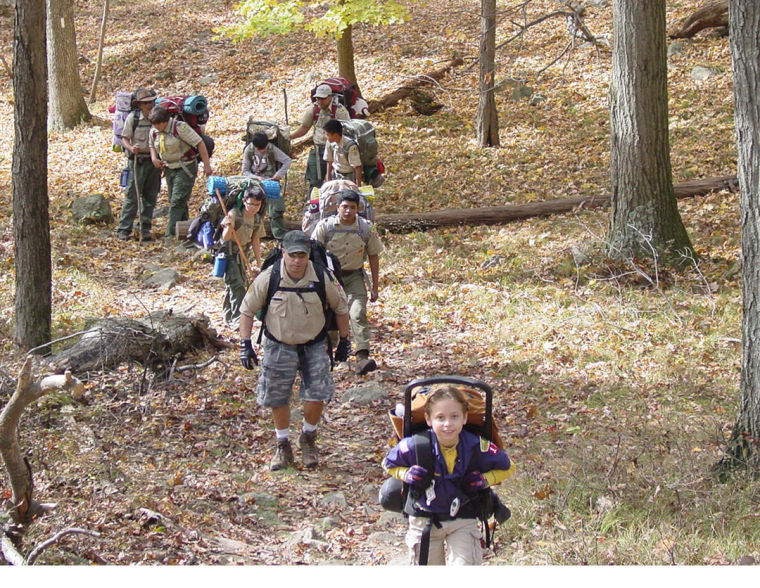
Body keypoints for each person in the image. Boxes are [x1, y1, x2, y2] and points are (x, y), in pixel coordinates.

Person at [238, 230, 351, 470]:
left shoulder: (322, 277)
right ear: (283, 254)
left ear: (309, 254)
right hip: (278, 343)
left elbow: (341, 307)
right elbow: (247, 310)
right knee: (277, 395)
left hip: (315, 343)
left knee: (318, 393)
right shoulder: (270, 277)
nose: (297, 260)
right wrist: (245, 344)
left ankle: (308, 438)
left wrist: (344, 340)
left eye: (302, 255)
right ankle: (282, 445)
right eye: (292, 255)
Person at [383, 385, 513, 566]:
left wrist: (484, 480)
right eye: (440, 418)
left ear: (465, 418)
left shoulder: (476, 445)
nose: (447, 424)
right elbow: (388, 464)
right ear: (429, 419)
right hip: (424, 518)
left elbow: (508, 467)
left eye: (454, 417)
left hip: (463, 516)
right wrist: (406, 474)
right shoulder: (415, 444)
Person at [312, 190, 383, 375]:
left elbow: (374, 257)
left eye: (352, 207)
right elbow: (312, 255)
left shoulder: (366, 228)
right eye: (344, 206)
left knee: (357, 312)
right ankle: (327, 354)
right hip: (329, 277)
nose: (348, 211)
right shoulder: (325, 227)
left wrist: (375, 287)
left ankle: (362, 356)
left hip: (354, 276)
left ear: (358, 209)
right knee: (328, 315)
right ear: (337, 207)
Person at [148, 105, 213, 237]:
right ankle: (185, 230)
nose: (157, 127)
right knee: (176, 200)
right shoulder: (154, 131)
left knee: (177, 201)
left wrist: (207, 165)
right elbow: (152, 145)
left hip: (185, 167)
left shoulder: (180, 128)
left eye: (159, 124)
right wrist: (154, 158)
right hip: (169, 168)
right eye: (154, 124)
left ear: (165, 121)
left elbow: (199, 143)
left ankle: (170, 234)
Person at [116, 88, 162, 241]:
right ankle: (124, 229)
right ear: (139, 105)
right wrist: (130, 148)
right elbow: (124, 138)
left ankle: (145, 228)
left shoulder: (158, 117)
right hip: (137, 162)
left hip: (154, 162)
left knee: (151, 196)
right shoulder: (133, 118)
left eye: (151, 102)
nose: (150, 105)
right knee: (132, 196)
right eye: (146, 103)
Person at [219, 186, 266, 328]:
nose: (253, 208)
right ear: (244, 201)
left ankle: (227, 316)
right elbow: (225, 238)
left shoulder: (257, 219)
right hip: (229, 253)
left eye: (257, 205)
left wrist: (258, 262)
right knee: (237, 284)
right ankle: (237, 319)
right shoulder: (234, 214)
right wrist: (228, 226)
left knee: (235, 285)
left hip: (243, 254)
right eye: (250, 204)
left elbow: (255, 240)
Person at [290, 84, 350, 193]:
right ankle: (313, 205)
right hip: (318, 150)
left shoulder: (340, 111)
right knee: (315, 181)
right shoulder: (313, 110)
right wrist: (289, 137)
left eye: (323, 98)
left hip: (336, 150)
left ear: (330, 97)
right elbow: (304, 128)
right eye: (318, 98)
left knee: (335, 180)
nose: (320, 101)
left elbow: (347, 131)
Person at [241, 131, 292, 240]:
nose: (262, 151)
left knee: (276, 210)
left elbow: (287, 160)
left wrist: (279, 174)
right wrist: (257, 178)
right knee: (253, 207)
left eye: (264, 148)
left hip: (271, 182)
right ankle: (252, 234)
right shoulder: (249, 150)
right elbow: (245, 171)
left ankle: (280, 236)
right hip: (255, 183)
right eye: (260, 149)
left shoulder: (271, 149)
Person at [323, 119, 363, 186]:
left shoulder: (350, 146)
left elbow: (357, 167)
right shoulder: (330, 143)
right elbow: (329, 161)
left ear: (335, 135)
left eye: (327, 135)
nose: (325, 136)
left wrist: (358, 186)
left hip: (348, 177)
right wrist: (328, 179)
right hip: (335, 175)